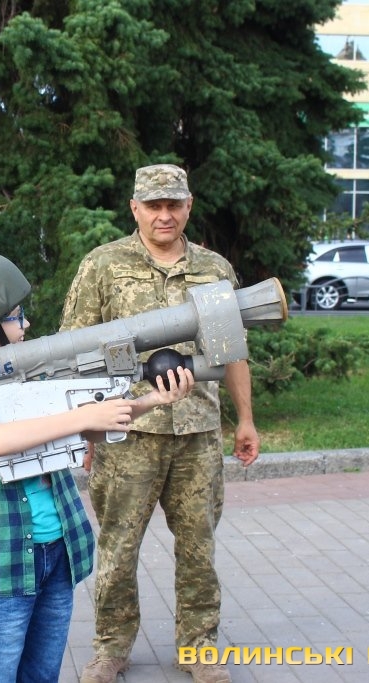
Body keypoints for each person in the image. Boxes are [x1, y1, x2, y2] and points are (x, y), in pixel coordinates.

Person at [0, 251, 195, 683]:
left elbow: (89, 427)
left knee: (43, 673)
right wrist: (83, 417)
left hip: (57, 553)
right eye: (15, 317)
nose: (26, 323)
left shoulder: (30, 373)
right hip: (0, 564)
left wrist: (152, 401)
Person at [60, 165, 260, 683]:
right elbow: (73, 352)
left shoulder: (214, 269)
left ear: (188, 206)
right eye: (153, 205)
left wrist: (245, 420)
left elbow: (232, 351)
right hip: (126, 432)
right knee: (118, 549)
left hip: (196, 434)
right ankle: (110, 648)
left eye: (173, 204)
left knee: (198, 548)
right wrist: (83, 428)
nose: (164, 215)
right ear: (135, 208)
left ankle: (199, 647)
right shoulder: (103, 265)